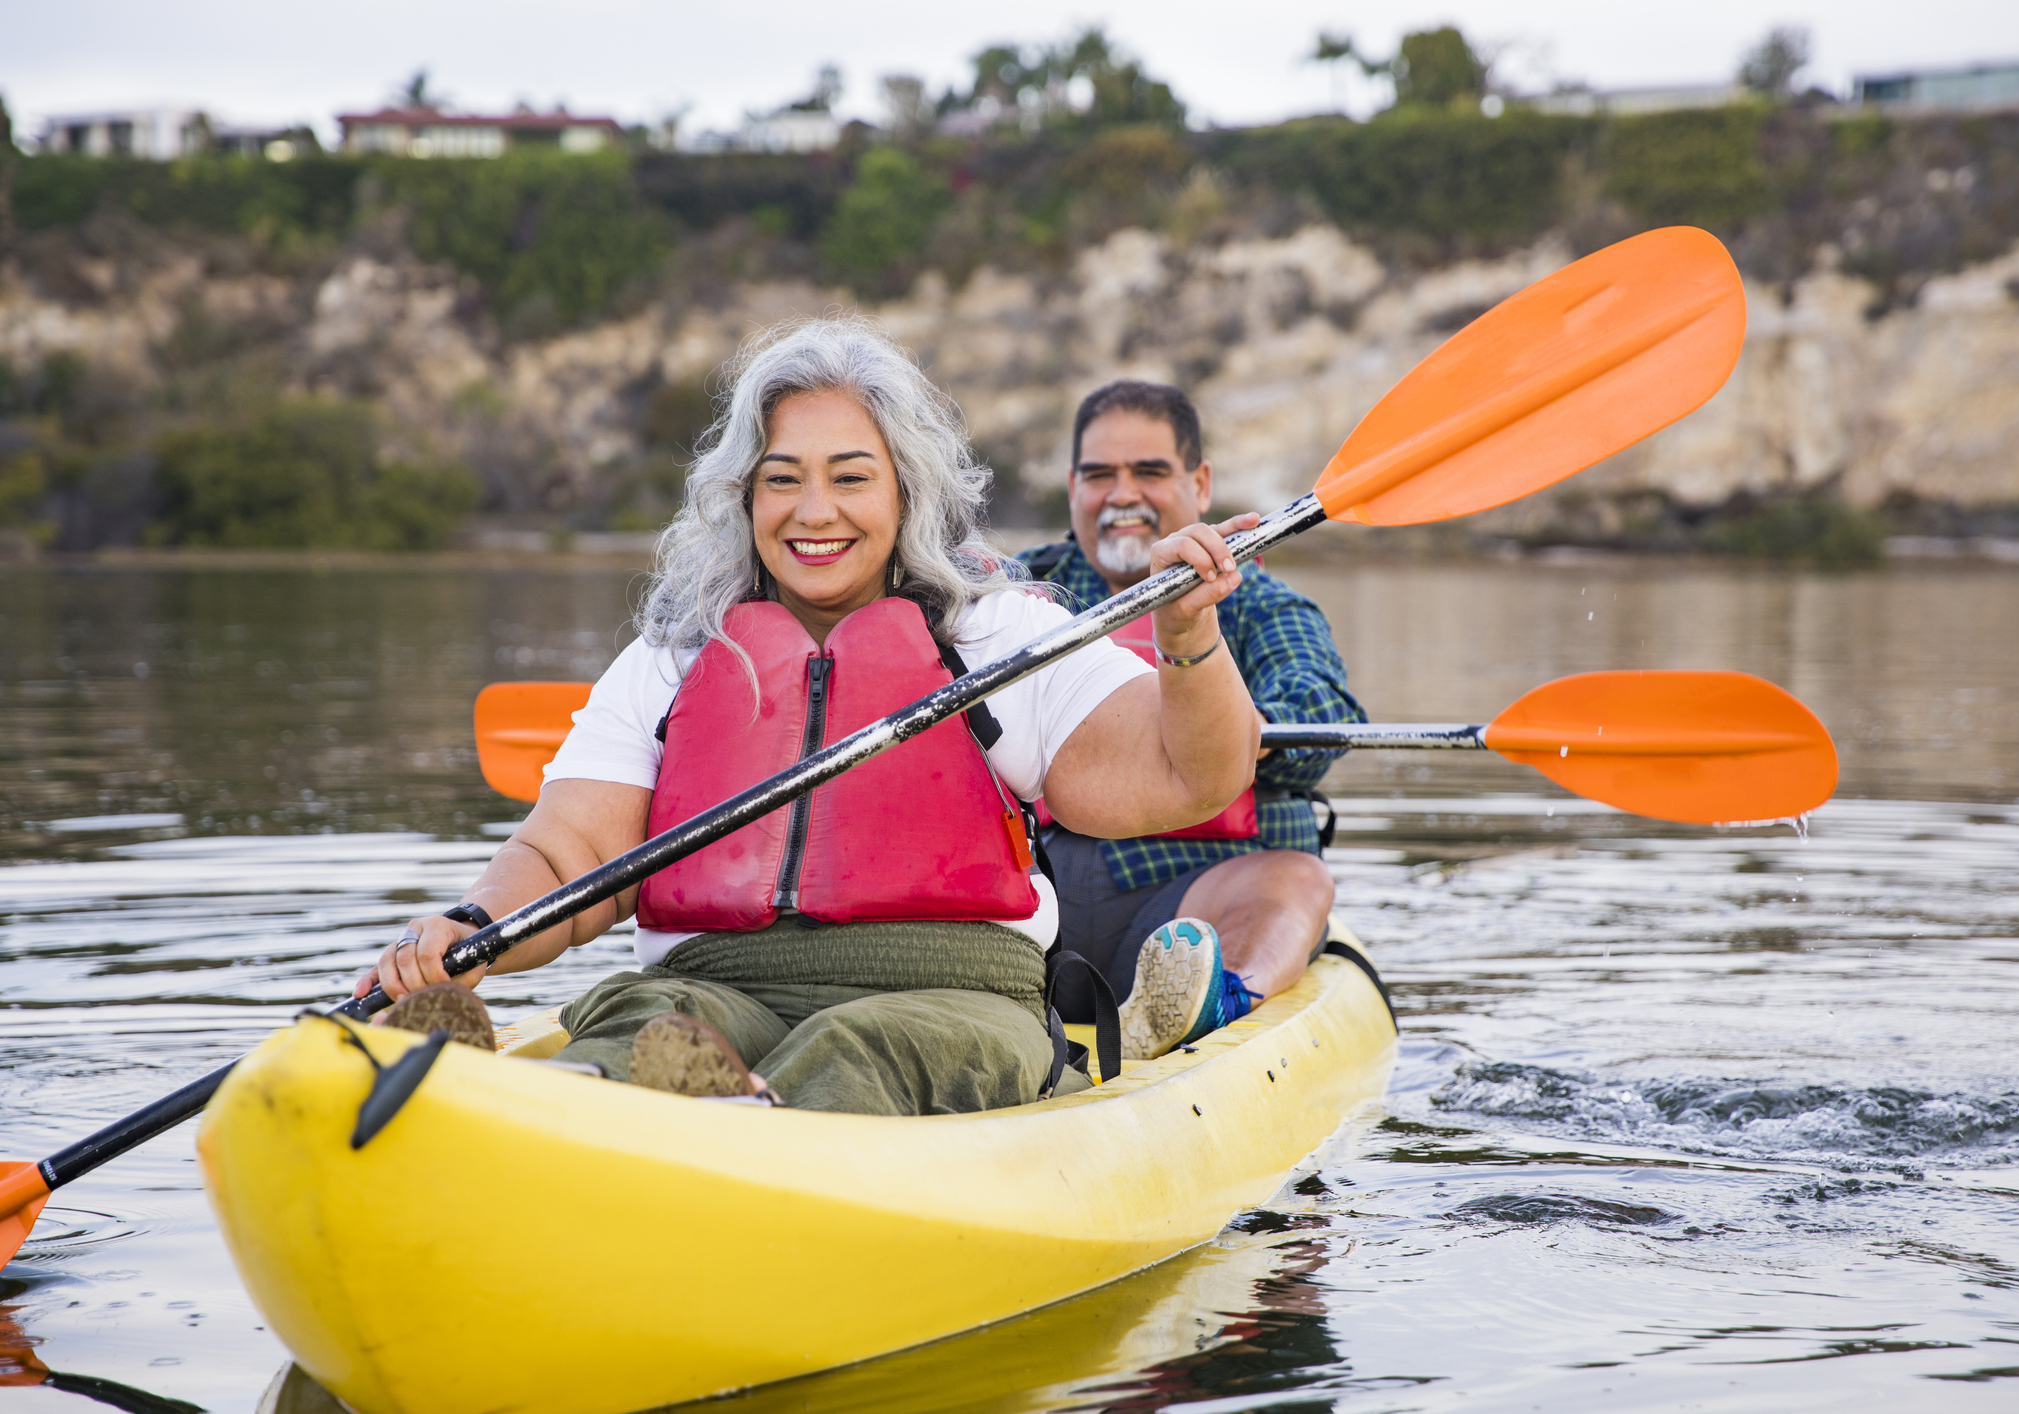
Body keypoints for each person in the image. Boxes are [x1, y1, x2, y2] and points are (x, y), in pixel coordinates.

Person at [354, 317, 1263, 1115]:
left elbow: (1190, 775)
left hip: (947, 998)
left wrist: (1185, 632)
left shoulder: (999, 635)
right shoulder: (675, 656)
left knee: (858, 1048)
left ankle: (736, 1130)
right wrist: (473, 928)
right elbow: (568, 857)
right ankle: (550, 1108)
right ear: (744, 495)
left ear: (907, 490)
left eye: (850, 478)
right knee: (644, 1026)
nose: (813, 512)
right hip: (715, 985)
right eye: (782, 479)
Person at [1018, 379, 1365, 1059]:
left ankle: (1220, 999)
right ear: (1071, 489)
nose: (1121, 495)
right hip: (1042, 906)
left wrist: (1220, 726)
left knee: (1299, 879)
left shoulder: (1260, 605)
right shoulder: (1022, 593)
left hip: (1197, 895)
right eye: (1098, 475)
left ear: (1199, 486)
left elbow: (1320, 709)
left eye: (1148, 472)